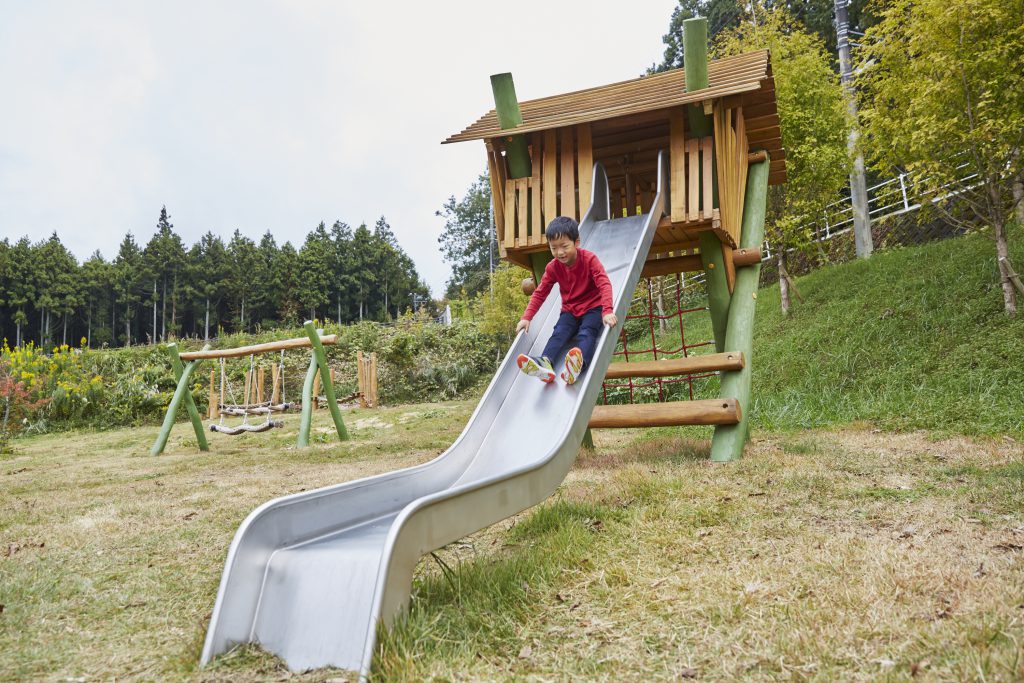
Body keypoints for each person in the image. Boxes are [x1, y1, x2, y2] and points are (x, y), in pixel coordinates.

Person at [515, 216, 618, 385]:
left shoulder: (589, 259)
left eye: (564, 246)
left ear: (577, 242)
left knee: (587, 332)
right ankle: (546, 363)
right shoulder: (553, 267)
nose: (560, 252)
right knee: (559, 332)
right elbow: (540, 293)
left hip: (593, 307)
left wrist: (607, 311)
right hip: (570, 310)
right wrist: (527, 317)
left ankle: (578, 364)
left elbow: (604, 283)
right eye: (554, 248)